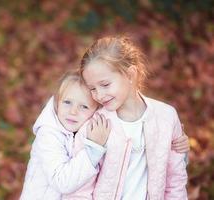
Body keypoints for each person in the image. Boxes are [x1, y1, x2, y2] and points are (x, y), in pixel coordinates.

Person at [75, 36, 189, 199]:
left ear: (130, 74)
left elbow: (175, 180)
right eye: (92, 88)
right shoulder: (95, 125)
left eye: (105, 85)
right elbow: (80, 189)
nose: (98, 95)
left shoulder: (166, 117)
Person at [20, 70, 111, 200]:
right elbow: (61, 181)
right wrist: (94, 149)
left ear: (96, 111)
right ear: (57, 102)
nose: (73, 111)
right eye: (67, 102)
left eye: (84, 107)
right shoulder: (48, 134)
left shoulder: (81, 133)